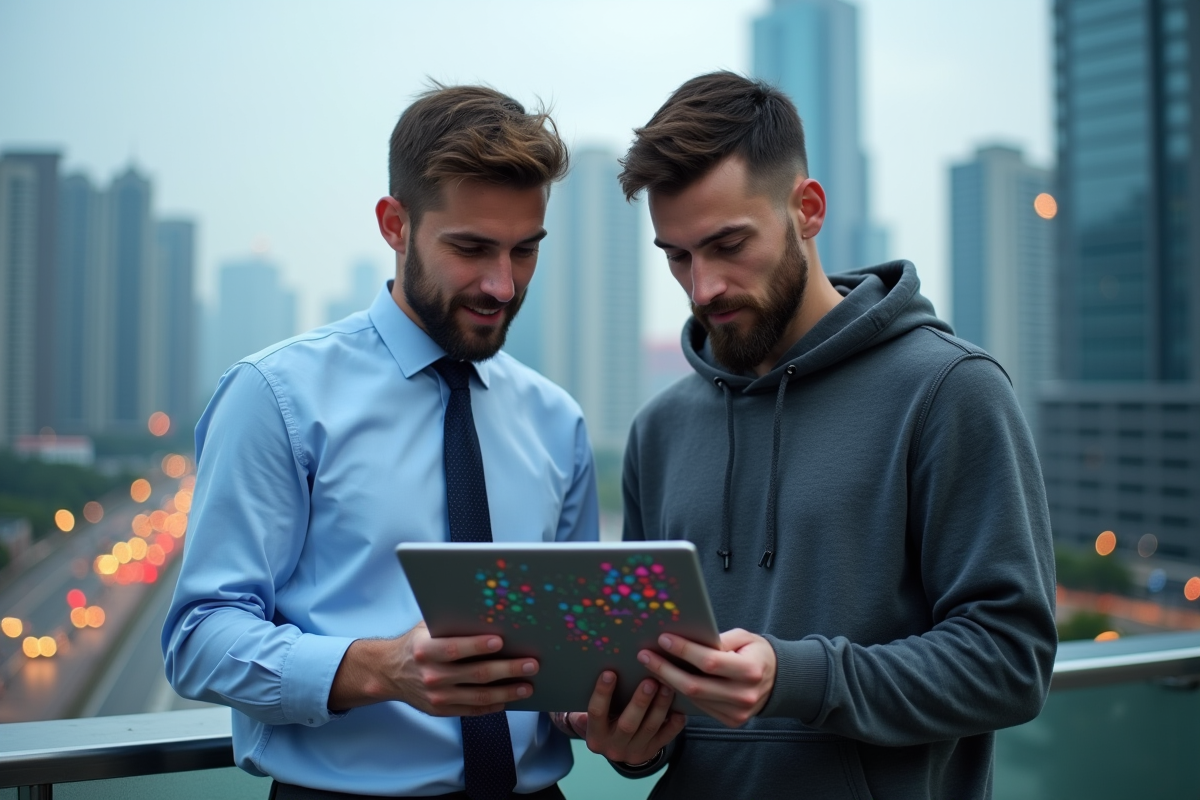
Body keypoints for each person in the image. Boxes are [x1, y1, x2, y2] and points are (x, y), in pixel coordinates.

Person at [575, 71, 1058, 798]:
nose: (703, 287)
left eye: (728, 243)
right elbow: (663, 700)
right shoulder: (660, 429)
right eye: (678, 256)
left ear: (808, 209)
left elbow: (1010, 662)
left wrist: (797, 678)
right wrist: (630, 740)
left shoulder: (949, 391)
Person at [162, 85, 600, 800]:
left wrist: (592, 703)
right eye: (471, 248)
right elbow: (197, 640)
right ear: (395, 225)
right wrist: (378, 668)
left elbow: (568, 657)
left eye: (525, 251)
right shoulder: (276, 397)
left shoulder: (558, 420)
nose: (502, 283)